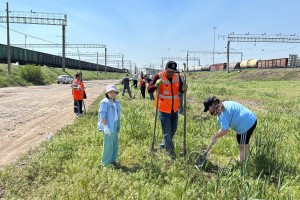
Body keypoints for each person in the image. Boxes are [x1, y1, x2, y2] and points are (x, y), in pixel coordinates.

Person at [148, 61, 188, 159]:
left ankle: (163, 145)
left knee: (173, 130)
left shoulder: (177, 77)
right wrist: (155, 85)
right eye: (169, 71)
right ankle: (171, 153)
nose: (171, 73)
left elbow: (180, 90)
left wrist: (183, 89)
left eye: (172, 71)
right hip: (163, 109)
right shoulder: (158, 76)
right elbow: (149, 89)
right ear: (165, 69)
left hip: (174, 109)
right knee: (167, 132)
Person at [203, 96, 257, 162]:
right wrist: (216, 137)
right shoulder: (221, 106)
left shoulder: (221, 113)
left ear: (212, 105)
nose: (209, 111)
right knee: (243, 141)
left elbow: (225, 130)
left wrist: (215, 137)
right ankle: (244, 159)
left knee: (242, 144)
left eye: (208, 109)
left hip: (246, 123)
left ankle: (243, 162)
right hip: (249, 118)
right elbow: (224, 128)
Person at [98, 84, 121, 167]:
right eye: (110, 92)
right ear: (107, 93)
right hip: (108, 126)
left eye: (114, 92)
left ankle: (113, 160)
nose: (112, 94)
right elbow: (102, 115)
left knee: (115, 143)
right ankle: (105, 164)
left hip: (114, 125)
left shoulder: (116, 102)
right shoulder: (105, 102)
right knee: (108, 145)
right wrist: (105, 127)